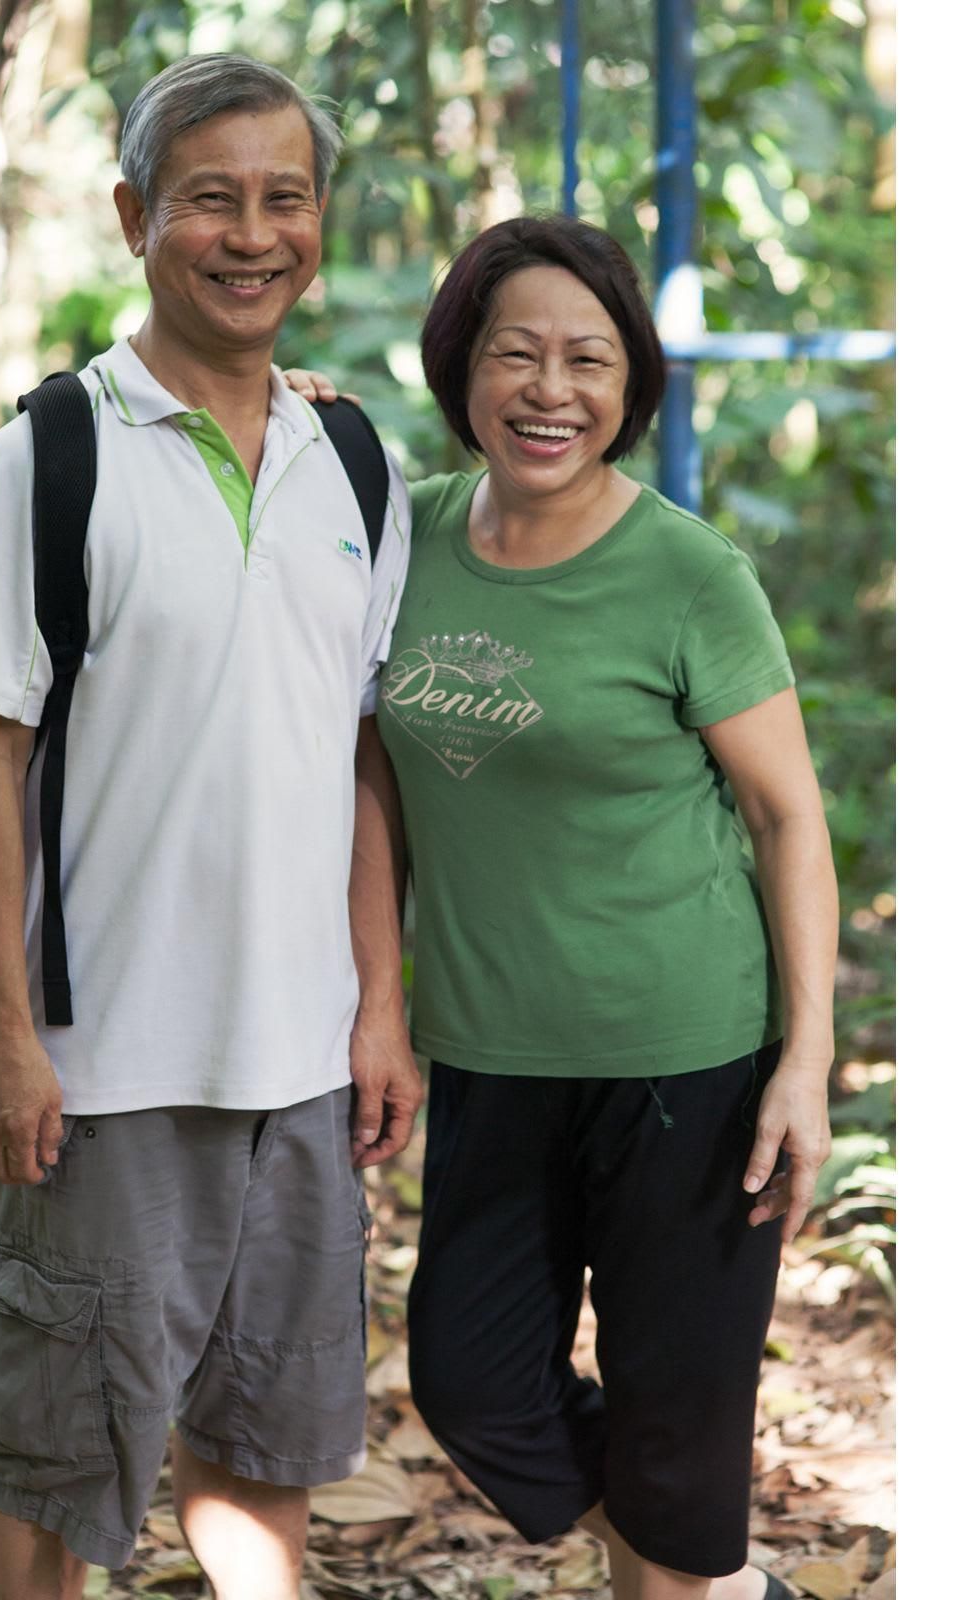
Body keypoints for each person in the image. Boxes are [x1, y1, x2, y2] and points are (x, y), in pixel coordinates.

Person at [0, 54, 420, 1600]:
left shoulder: (355, 457)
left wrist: (380, 1012)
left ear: (320, 220)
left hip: (303, 1066)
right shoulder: (50, 457)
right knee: (59, 1470)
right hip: (103, 1069)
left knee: (264, 1452)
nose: (252, 233)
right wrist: (6, 1043)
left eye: (285, 198)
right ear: (138, 216)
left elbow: (356, 754)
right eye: (211, 198)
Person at [288, 214, 836, 1600]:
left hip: (688, 1060)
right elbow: (373, 785)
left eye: (589, 359)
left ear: (631, 383)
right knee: (472, 1386)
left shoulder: (687, 572)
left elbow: (787, 816)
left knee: (678, 1413)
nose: (552, 389)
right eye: (516, 353)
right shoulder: (397, 536)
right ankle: (706, 1572)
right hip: (487, 1056)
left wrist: (809, 1058)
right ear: (460, 366)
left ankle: (682, 1571)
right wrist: (281, 414)